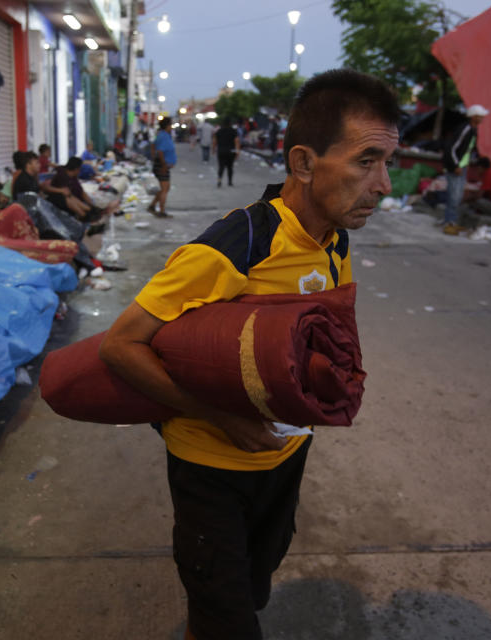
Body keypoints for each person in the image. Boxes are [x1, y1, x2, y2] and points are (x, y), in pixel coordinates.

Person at [98, 68, 398, 640]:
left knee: (242, 597)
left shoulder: (335, 242)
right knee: (230, 622)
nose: (384, 185)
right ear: (305, 163)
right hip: (212, 470)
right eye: (366, 161)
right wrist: (219, 416)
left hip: (284, 460)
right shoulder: (236, 244)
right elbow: (121, 345)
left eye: (386, 162)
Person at [442, 104, 488, 234]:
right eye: (480, 116)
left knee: (457, 195)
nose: (482, 119)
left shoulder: (473, 130)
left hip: (462, 166)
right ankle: (449, 223)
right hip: (456, 167)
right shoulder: (465, 129)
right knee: (454, 195)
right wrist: (455, 165)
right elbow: (451, 148)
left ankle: (452, 221)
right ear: (473, 117)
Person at [50, 157, 120, 221]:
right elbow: (47, 186)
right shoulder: (61, 175)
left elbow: (81, 192)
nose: (80, 171)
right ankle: (86, 215)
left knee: (75, 197)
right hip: (61, 199)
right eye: (80, 169)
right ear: (76, 169)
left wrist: (92, 206)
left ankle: (91, 211)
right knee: (69, 198)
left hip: (72, 198)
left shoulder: (73, 176)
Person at [148, 117, 177, 218]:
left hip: (161, 164)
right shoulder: (163, 136)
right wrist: (164, 165)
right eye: (170, 125)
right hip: (162, 165)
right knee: (165, 188)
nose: (171, 127)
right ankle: (162, 211)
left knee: (165, 188)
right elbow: (160, 151)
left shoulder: (162, 135)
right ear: (167, 126)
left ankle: (152, 206)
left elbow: (153, 146)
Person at [215, 117, 241, 188]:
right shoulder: (233, 131)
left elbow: (215, 141)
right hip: (231, 151)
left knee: (221, 167)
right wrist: (237, 151)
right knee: (230, 167)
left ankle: (219, 180)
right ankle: (230, 181)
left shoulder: (219, 131)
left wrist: (213, 149)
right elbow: (236, 141)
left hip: (221, 151)